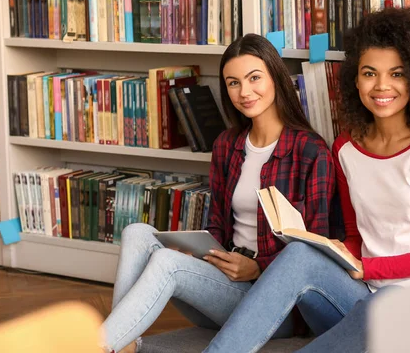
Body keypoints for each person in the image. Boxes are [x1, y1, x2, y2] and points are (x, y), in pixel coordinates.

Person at [203, 8, 410, 353]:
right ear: (355, 80)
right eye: (369, 73)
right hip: (364, 291)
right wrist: (333, 252)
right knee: (300, 253)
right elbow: (355, 235)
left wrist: (369, 268)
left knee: (385, 306)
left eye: (397, 73)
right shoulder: (346, 147)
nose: (381, 86)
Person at [100, 33, 336, 353]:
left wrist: (259, 267)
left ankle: (96, 346)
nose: (245, 91)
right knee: (137, 232)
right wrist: (197, 253)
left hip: (276, 307)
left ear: (276, 78)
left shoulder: (311, 151)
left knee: (167, 263)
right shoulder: (227, 145)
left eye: (254, 78)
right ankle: (121, 343)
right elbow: (217, 226)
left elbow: (317, 251)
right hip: (225, 282)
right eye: (233, 83)